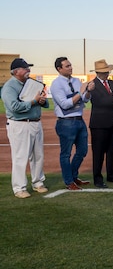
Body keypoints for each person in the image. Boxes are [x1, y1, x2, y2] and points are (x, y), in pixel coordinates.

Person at [1, 58, 49, 198]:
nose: (28, 70)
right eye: (25, 68)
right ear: (16, 71)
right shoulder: (9, 87)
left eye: (28, 68)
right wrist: (33, 101)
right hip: (19, 124)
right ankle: (19, 188)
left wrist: (42, 101)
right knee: (20, 157)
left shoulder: (32, 83)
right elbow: (14, 107)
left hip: (35, 122)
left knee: (38, 156)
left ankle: (38, 182)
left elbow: (43, 103)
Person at [51, 57, 94, 190]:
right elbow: (65, 104)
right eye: (67, 66)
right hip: (66, 122)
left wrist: (88, 91)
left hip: (79, 120)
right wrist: (81, 92)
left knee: (82, 151)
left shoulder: (76, 81)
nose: (70, 67)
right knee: (66, 153)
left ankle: (73, 176)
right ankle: (69, 181)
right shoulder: (56, 84)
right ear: (59, 69)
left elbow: (85, 100)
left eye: (70, 65)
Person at [88, 59, 113, 188]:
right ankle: (98, 179)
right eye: (104, 71)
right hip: (99, 124)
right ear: (98, 72)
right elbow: (99, 101)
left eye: (107, 71)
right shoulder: (92, 85)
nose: (107, 73)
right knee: (98, 152)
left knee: (111, 151)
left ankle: (111, 175)